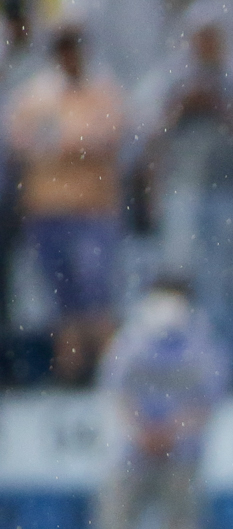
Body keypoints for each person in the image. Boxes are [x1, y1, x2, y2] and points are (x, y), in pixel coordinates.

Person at [97, 276, 231, 529]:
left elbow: (209, 402)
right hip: (133, 449)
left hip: (181, 452)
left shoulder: (203, 345)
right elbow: (116, 392)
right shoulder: (130, 340)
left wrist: (171, 430)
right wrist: (140, 430)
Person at [136, 4, 233, 354]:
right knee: (181, 278)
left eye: (212, 37)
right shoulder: (172, 77)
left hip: (231, 190)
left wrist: (219, 105)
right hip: (183, 190)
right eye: (199, 37)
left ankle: (226, 362)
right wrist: (181, 107)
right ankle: (186, 358)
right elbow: (146, 133)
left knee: (228, 281)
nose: (205, 44)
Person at [6, 22, 125, 384]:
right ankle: (70, 381)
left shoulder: (103, 91)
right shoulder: (37, 94)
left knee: (97, 299)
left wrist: (61, 143)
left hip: (92, 211)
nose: (69, 55)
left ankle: (109, 380)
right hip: (47, 212)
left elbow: (107, 135)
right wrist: (73, 143)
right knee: (62, 306)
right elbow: (20, 140)